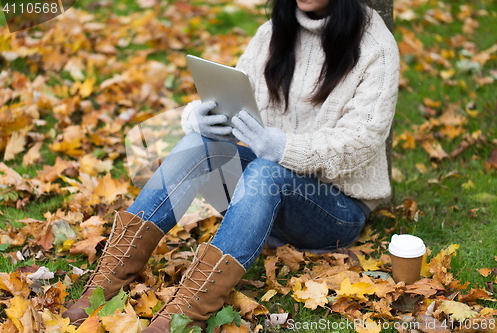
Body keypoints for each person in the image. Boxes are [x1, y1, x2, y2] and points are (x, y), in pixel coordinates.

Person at [62, 0, 400, 331]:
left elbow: (363, 140)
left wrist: (283, 147)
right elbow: (233, 97)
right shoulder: (273, 32)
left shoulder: (373, 44)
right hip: (263, 195)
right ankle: (105, 284)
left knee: (267, 170)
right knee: (200, 144)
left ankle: (183, 316)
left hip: (335, 209)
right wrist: (200, 117)